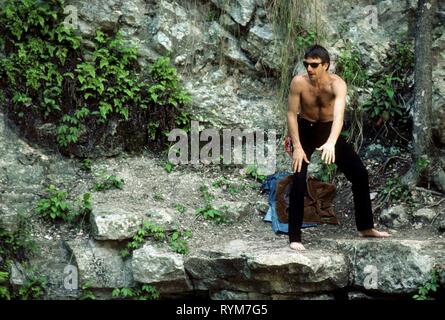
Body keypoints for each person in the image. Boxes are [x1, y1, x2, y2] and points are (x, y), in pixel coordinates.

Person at [286, 44, 390, 251]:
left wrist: (331, 142)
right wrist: (297, 145)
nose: (309, 69)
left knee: (359, 174)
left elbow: (339, 116)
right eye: (306, 64)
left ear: (326, 65)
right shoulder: (298, 83)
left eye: (314, 65)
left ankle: (366, 227)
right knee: (298, 178)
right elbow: (291, 114)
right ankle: (294, 237)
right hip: (305, 129)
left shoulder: (337, 84)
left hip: (328, 130)